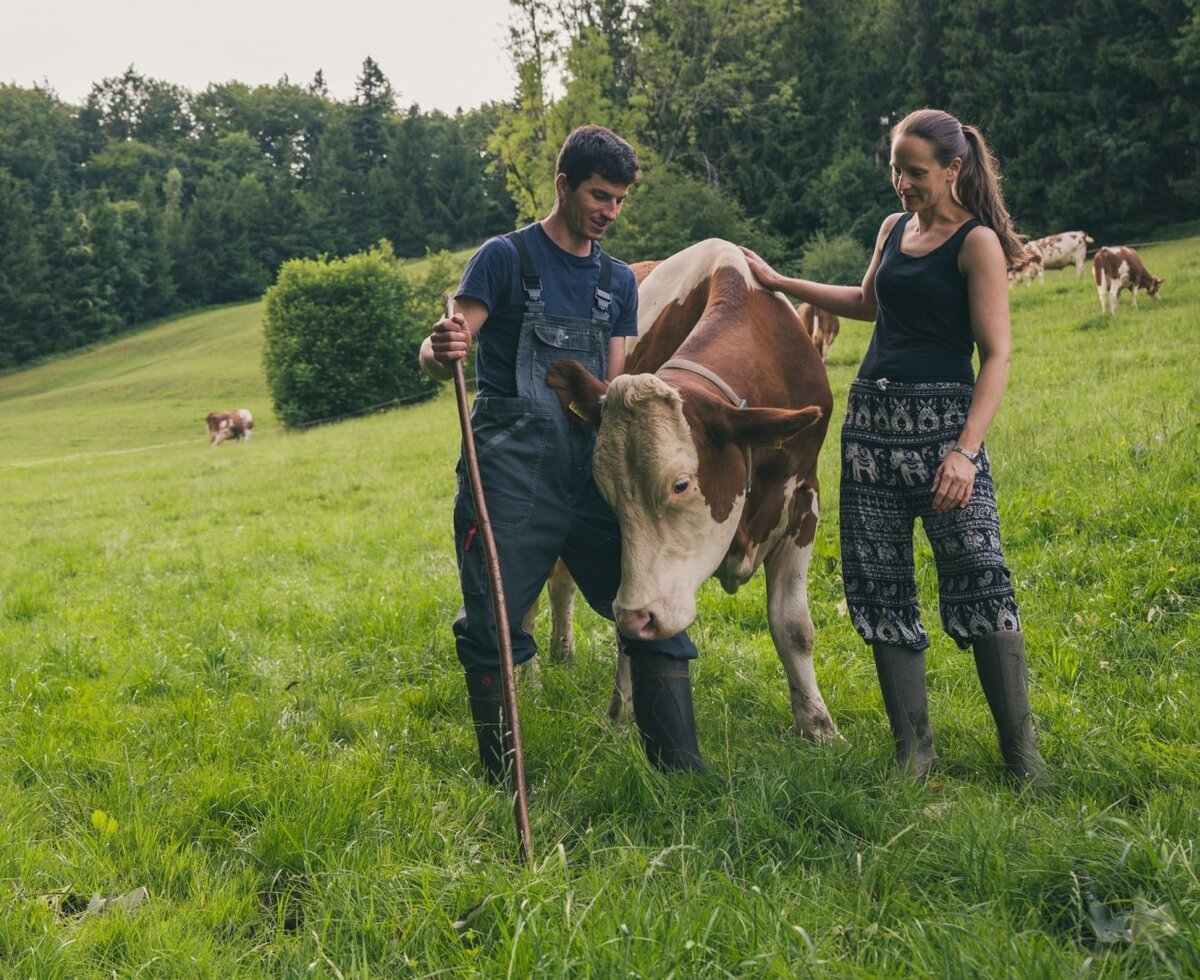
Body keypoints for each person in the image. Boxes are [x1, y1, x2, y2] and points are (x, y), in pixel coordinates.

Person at [741, 109, 1047, 785]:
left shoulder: (976, 244)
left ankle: (1022, 756)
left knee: (981, 577)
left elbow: (995, 355)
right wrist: (783, 283)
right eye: (895, 170)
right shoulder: (892, 230)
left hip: (944, 435)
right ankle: (916, 751)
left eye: (915, 172)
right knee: (880, 592)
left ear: (953, 169)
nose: (902, 184)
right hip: (871, 434)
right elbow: (867, 301)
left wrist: (966, 453)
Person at [419, 125, 704, 781]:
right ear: (563, 186)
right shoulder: (504, 259)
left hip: (593, 475)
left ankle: (682, 778)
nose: (609, 211)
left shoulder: (616, 282)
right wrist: (440, 350)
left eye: (620, 200)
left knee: (651, 608)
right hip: (511, 475)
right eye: (599, 195)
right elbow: (442, 354)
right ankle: (504, 779)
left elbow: (613, 393)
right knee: (492, 625)